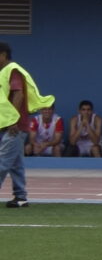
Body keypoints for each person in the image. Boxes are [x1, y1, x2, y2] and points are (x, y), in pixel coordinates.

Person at [0, 41, 53, 207]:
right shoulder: (5, 71)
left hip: (13, 126)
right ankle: (21, 197)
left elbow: (19, 95)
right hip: (8, 124)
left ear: (2, 55)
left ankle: (21, 196)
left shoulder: (12, 70)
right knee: (15, 164)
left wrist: (13, 120)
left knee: (2, 161)